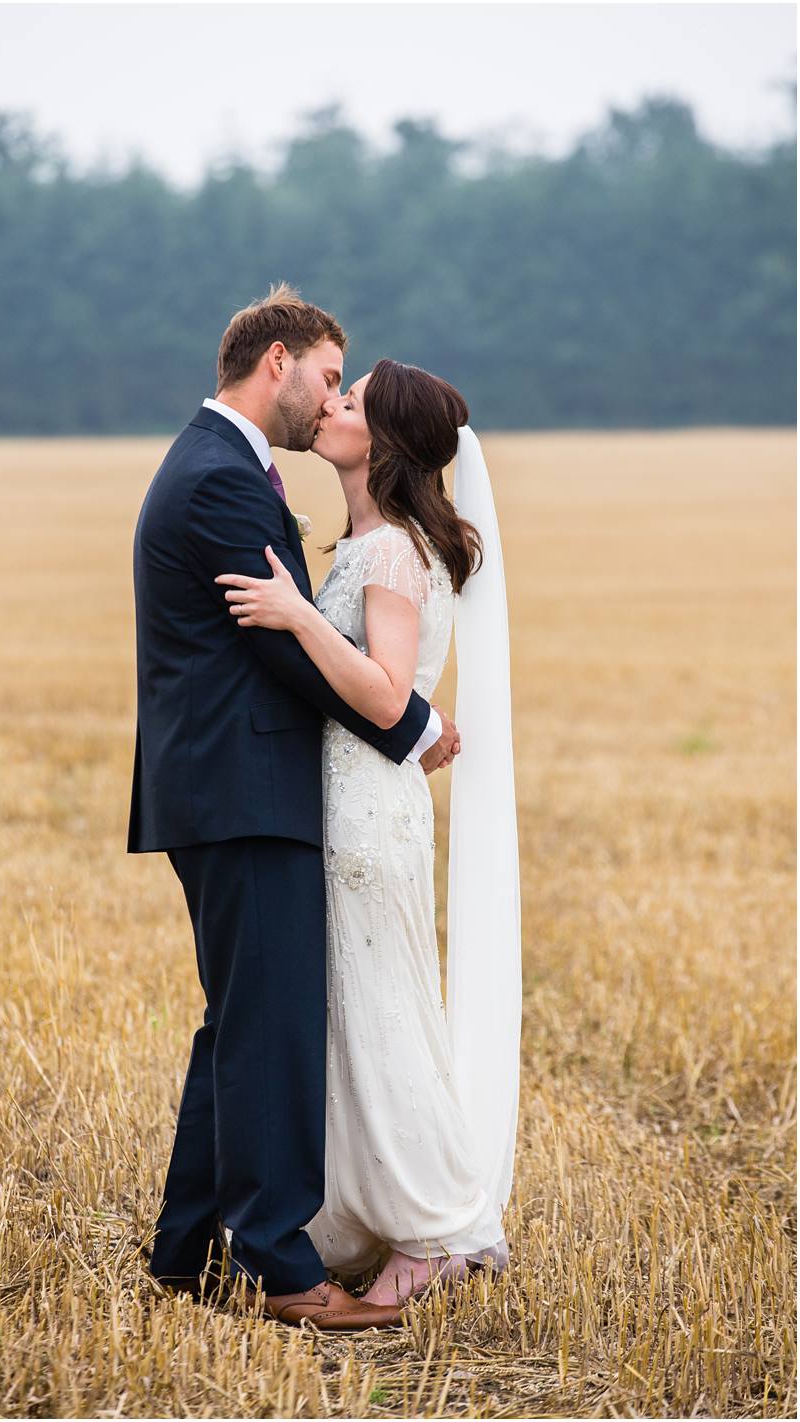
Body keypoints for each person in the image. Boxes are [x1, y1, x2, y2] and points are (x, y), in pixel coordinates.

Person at [128, 287, 462, 1330]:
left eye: (344, 391)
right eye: (325, 377)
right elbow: (286, 652)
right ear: (276, 362)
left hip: (241, 789)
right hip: (243, 792)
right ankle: (282, 1274)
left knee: (242, 1028)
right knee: (267, 1033)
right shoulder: (222, 477)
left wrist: (398, 709)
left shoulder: (222, 466)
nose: (327, 402)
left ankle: (188, 1253)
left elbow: (299, 641)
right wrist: (410, 725)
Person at [216, 358, 521, 1306]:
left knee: (381, 1006)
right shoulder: (368, 543)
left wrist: (300, 618)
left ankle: (434, 1232)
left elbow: (389, 695)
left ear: (381, 441)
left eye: (350, 399)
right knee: (353, 1007)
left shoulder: (389, 552)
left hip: (365, 814)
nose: (331, 406)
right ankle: (370, 1211)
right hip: (346, 799)